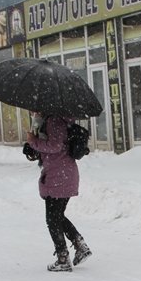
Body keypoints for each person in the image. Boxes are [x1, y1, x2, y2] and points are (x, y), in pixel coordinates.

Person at [25, 112, 92, 272]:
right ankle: (79, 245)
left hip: (59, 175)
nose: (34, 112)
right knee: (56, 216)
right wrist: (33, 147)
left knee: (52, 218)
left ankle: (63, 258)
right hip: (61, 173)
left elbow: (55, 146)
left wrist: (34, 141)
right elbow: (55, 147)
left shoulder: (54, 120)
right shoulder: (55, 120)